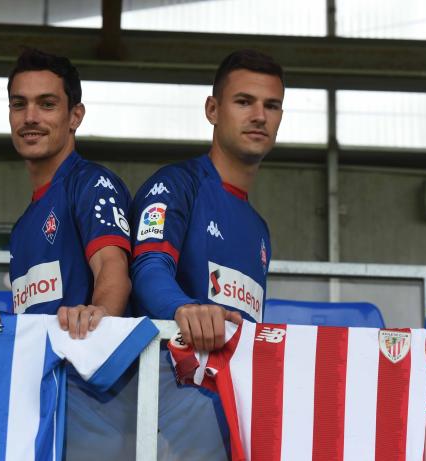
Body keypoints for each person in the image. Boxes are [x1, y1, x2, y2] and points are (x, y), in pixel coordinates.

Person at [129, 49, 285, 459]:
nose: (259, 116)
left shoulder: (259, 229)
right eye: (243, 101)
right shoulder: (177, 185)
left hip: (233, 421)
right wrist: (185, 308)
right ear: (212, 109)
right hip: (165, 415)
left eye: (271, 105)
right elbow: (147, 267)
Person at [7, 48, 135, 459]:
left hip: (90, 412)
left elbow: (113, 270)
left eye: (47, 104)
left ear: (75, 116)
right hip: (37, 412)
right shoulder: (25, 222)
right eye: (19, 104)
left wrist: (98, 317)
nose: (30, 117)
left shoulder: (91, 184)